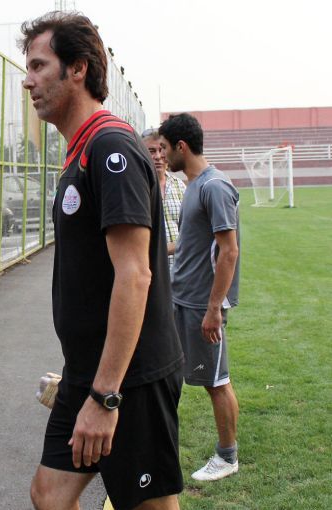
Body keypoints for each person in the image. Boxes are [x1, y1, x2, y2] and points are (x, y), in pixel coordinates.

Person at [20, 12, 184, 510]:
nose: (27, 81)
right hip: (86, 373)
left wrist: (106, 396)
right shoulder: (82, 149)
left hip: (129, 379)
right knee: (50, 496)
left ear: (78, 69)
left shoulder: (111, 147)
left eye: (39, 66)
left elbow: (135, 276)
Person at [159, 113, 241, 482]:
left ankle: (227, 457)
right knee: (170, 372)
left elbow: (229, 251)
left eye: (165, 148)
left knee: (216, 381)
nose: (162, 155)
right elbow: (192, 244)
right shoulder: (193, 185)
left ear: (182, 146)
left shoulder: (214, 186)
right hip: (182, 299)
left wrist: (213, 310)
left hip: (202, 307)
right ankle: (158, 443)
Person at [142, 128, 186, 272]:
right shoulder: (136, 188)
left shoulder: (180, 186)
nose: (158, 156)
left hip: (181, 271)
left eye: (162, 150)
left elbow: (190, 231)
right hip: (152, 271)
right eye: (151, 151)